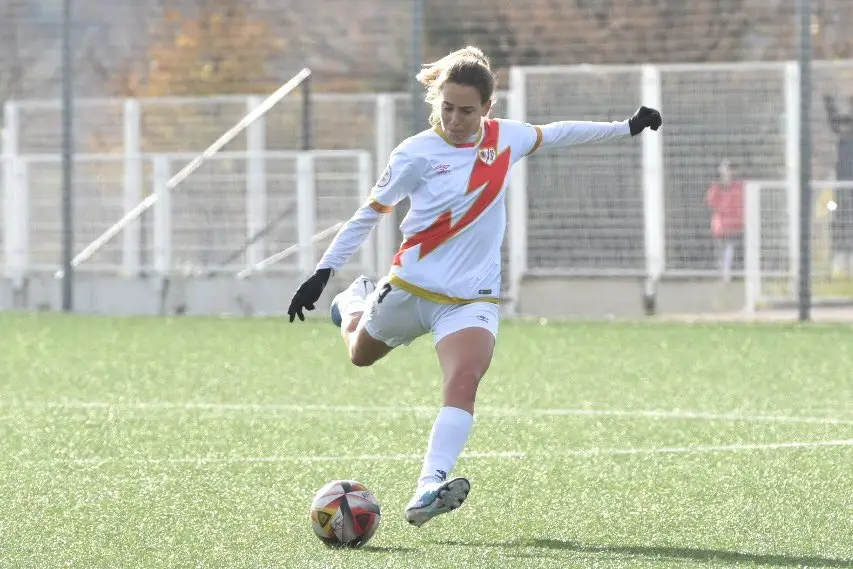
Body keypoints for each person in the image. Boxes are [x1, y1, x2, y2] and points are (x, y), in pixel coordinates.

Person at [287, 46, 662, 528]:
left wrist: (625, 127)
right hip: (409, 287)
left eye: (467, 110)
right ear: (437, 102)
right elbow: (369, 215)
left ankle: (428, 487)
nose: (455, 118)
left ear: (488, 107)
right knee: (359, 354)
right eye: (447, 107)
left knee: (464, 381)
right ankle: (354, 301)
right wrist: (323, 273)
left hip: (470, 299)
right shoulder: (415, 153)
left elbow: (562, 133)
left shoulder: (507, 139)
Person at [705, 159, 744, 282]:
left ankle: (727, 272)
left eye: (732, 169)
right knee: (724, 249)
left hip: (734, 224)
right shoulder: (717, 186)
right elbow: (711, 202)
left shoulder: (740, 186)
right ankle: (725, 272)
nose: (730, 172)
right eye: (727, 169)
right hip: (723, 224)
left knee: (729, 248)